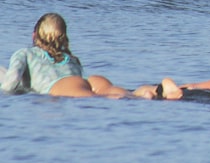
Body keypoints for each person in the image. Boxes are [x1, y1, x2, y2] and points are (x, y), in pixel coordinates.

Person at [1, 12, 168, 99]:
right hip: (91, 81)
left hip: (63, 87)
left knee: (103, 99)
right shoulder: (72, 59)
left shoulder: (24, 53)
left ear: (34, 35)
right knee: (124, 94)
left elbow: (10, 85)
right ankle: (154, 90)